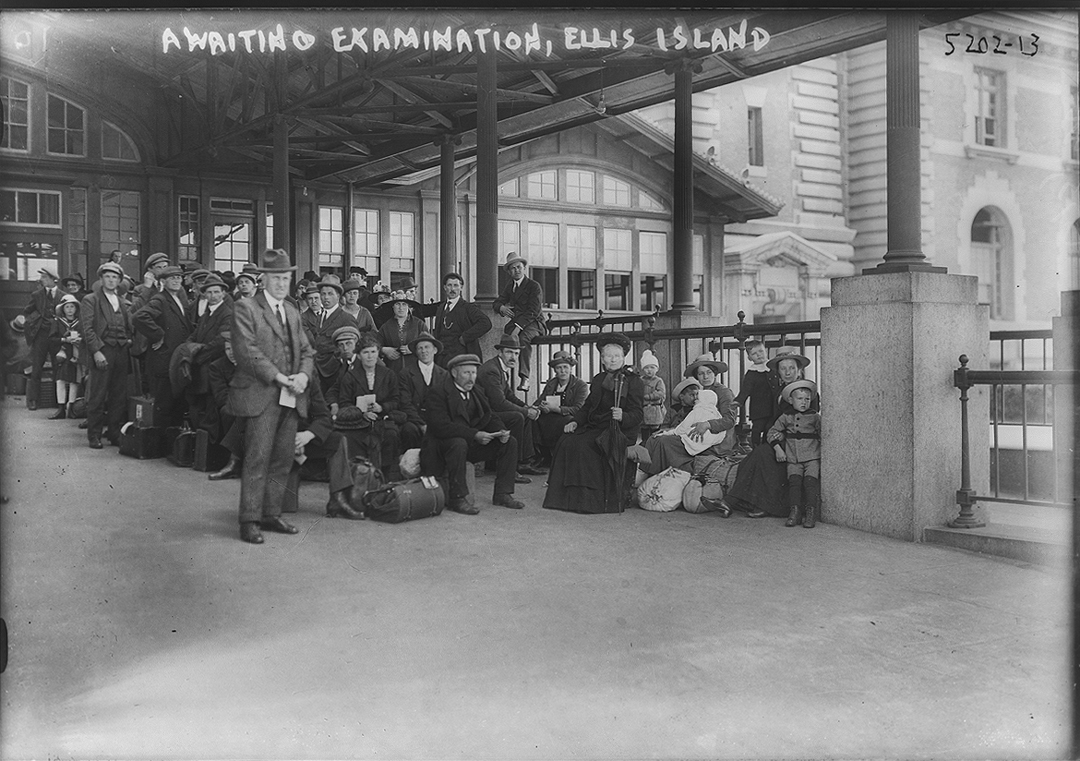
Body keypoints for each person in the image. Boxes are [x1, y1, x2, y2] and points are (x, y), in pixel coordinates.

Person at [228, 248, 315, 545]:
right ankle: (249, 519)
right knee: (257, 457)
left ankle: (271, 512)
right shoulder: (246, 308)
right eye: (275, 278)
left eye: (285, 278)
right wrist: (280, 378)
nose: (281, 283)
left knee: (282, 457)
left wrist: (302, 376)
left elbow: (306, 350)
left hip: (291, 394)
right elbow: (247, 352)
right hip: (262, 393)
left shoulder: (292, 311)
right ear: (262, 279)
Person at [543, 333, 644, 514]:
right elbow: (588, 405)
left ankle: (589, 501)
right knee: (566, 441)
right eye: (608, 356)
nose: (612, 360)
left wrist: (623, 416)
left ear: (623, 358)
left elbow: (638, 414)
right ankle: (566, 498)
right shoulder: (598, 379)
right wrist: (575, 421)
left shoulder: (633, 381)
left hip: (618, 430)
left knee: (585, 447)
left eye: (616, 356)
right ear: (602, 359)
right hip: (596, 426)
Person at [420, 353, 524, 514]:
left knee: (510, 443)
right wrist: (475, 434)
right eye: (466, 373)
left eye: (474, 373)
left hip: (468, 445)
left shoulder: (476, 391)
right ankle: (457, 499)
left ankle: (503, 494)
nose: (471, 378)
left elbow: (489, 415)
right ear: (454, 373)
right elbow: (441, 427)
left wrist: (501, 430)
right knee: (458, 443)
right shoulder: (438, 392)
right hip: (441, 448)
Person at [720, 349, 815, 520]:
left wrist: (776, 445)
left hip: (799, 443)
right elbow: (774, 420)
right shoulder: (780, 391)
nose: (787, 372)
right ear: (777, 371)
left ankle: (742, 502)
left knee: (763, 455)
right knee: (752, 458)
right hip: (780, 438)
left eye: (792, 368)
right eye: (783, 368)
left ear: (799, 370)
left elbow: (801, 423)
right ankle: (739, 502)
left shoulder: (806, 393)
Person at [327, 333, 403, 480]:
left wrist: (382, 407)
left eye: (373, 352)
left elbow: (396, 400)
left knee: (390, 435)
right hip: (357, 421)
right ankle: (360, 477)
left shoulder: (388, 375)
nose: (370, 356)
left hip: (382, 419)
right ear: (360, 356)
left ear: (378, 354)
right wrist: (362, 413)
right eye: (365, 352)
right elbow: (345, 402)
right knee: (351, 438)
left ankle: (383, 477)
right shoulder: (350, 376)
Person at [80, 262, 134, 449]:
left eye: (115, 277)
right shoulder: (91, 300)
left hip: (121, 352)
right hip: (103, 351)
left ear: (119, 280)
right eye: (108, 276)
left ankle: (113, 433)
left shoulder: (122, 301)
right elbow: (86, 329)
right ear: (101, 279)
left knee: (119, 396)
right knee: (98, 394)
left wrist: (128, 340)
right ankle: (94, 435)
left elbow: (127, 326)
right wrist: (96, 351)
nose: (111, 280)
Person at [133, 264, 193, 428]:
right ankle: (163, 446)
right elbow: (139, 316)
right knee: (164, 405)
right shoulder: (160, 299)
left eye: (178, 277)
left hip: (175, 359)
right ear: (163, 282)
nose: (176, 280)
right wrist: (158, 335)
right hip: (164, 360)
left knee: (176, 405)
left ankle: (173, 447)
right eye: (171, 278)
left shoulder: (178, 299)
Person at [476, 333, 544, 478]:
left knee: (523, 414)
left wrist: (527, 407)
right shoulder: (491, 370)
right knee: (517, 417)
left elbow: (509, 395)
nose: (513, 357)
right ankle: (509, 468)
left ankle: (523, 463)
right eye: (509, 352)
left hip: (492, 410)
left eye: (516, 353)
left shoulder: (500, 368)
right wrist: (526, 412)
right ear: (500, 352)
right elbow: (499, 403)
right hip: (481, 415)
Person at [767, 379, 821, 528]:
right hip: (793, 458)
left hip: (812, 457)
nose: (804, 402)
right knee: (794, 484)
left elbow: (823, 434)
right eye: (799, 399)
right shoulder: (786, 417)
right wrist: (778, 448)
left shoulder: (815, 417)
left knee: (810, 483)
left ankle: (811, 514)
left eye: (807, 399)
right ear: (791, 400)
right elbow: (772, 432)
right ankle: (795, 513)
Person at [185, 274, 233, 432]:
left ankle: (207, 448)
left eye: (216, 292)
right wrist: (188, 346)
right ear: (204, 294)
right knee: (199, 405)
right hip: (202, 366)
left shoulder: (227, 313)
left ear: (223, 294)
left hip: (213, 366)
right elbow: (195, 334)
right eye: (209, 292)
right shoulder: (207, 314)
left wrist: (197, 355)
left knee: (210, 408)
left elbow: (220, 342)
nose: (213, 296)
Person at [492, 252, 545, 392]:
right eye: (513, 268)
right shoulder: (510, 286)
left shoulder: (534, 286)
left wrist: (518, 326)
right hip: (518, 322)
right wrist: (501, 307)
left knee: (522, 339)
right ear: (509, 272)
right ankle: (504, 373)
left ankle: (525, 377)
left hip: (534, 322)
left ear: (524, 268)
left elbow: (534, 311)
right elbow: (497, 302)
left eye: (519, 267)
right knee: (506, 341)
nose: (517, 270)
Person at [531, 350, 588, 468]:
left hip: (568, 417)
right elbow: (539, 401)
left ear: (571, 368)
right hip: (550, 415)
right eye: (559, 368)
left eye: (565, 367)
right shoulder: (552, 383)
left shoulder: (580, 385)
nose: (563, 371)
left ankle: (561, 458)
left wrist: (556, 409)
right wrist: (542, 407)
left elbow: (579, 409)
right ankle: (544, 455)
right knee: (535, 421)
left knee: (566, 421)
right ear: (555, 370)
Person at [426, 272, 492, 368]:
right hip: (442, 358)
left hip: (462, 357)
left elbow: (486, 323)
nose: (452, 289)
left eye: (456, 285)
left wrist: (464, 338)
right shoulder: (441, 308)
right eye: (449, 285)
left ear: (461, 288)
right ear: (445, 288)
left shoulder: (467, 308)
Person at [397, 331, 449, 451]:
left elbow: (447, 403)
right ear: (416, 352)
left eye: (427, 347)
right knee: (409, 430)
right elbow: (405, 403)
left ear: (435, 350)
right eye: (420, 348)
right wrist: (422, 424)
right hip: (414, 419)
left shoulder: (444, 375)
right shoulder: (406, 374)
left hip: (436, 419)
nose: (423, 351)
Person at [309, 274, 360, 393]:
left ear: (338, 296)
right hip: (318, 371)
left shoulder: (346, 318)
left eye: (330, 294)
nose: (326, 298)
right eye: (323, 294)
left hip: (335, 372)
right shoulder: (320, 316)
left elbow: (355, 346)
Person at [22, 267, 60, 411]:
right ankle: (33, 400)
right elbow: (27, 311)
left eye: (44, 277)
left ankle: (58, 401)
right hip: (41, 336)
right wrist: (36, 319)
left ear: (52, 279)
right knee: (37, 368)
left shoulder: (62, 295)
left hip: (56, 337)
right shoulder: (37, 295)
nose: (41, 280)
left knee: (58, 367)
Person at [733, 340, 780, 447]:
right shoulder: (751, 373)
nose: (759, 355)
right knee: (757, 429)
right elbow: (746, 390)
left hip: (773, 407)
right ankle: (756, 449)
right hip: (758, 408)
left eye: (761, 351)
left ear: (766, 351)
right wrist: (738, 401)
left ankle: (766, 448)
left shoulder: (773, 368)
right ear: (749, 358)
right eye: (754, 354)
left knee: (770, 428)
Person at [48, 294, 83, 420]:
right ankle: (61, 408)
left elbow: (85, 336)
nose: (69, 309)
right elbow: (52, 339)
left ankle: (71, 407)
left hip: (76, 354)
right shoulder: (57, 322)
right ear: (62, 309)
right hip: (62, 354)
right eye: (67, 307)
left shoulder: (80, 323)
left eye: (72, 307)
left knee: (74, 380)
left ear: (76, 309)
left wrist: (79, 340)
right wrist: (64, 339)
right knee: (60, 380)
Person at [376, 290, 425, 374]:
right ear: (393, 307)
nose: (401, 308)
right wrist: (384, 350)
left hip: (415, 370)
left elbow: (429, 343)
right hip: (393, 370)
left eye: (404, 304)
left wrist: (413, 348)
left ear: (409, 307)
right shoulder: (386, 326)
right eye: (397, 304)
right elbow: (375, 344)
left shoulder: (419, 324)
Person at [638, 349, 666, 444]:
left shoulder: (658, 381)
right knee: (644, 429)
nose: (649, 370)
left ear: (657, 369)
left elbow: (661, 393)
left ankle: (654, 445)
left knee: (655, 430)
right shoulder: (640, 380)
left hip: (655, 409)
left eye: (652, 367)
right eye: (646, 368)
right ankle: (645, 444)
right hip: (644, 409)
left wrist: (649, 396)